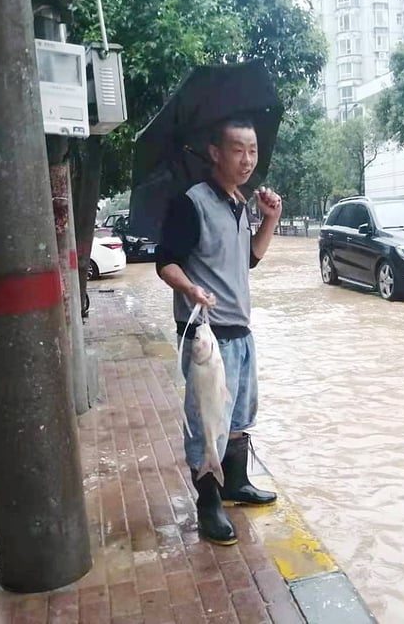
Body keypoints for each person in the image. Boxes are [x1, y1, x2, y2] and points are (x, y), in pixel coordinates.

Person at [155, 117, 282, 546]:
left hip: (241, 331)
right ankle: (208, 505)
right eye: (237, 150)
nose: (247, 160)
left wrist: (270, 218)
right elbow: (165, 262)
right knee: (206, 420)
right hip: (206, 337)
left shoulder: (239, 203)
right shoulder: (191, 203)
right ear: (214, 152)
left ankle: (236, 484)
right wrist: (191, 288)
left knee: (240, 416)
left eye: (253, 150)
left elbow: (248, 258)